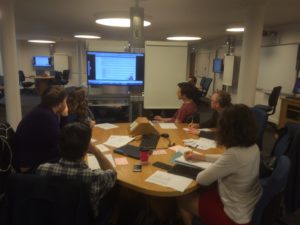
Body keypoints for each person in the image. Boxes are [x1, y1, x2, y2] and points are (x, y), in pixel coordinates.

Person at [177, 104, 262, 225]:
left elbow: (202, 179)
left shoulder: (234, 154)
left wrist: (208, 165)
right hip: (246, 203)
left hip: (233, 217)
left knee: (182, 197)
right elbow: (227, 159)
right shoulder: (253, 147)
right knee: (209, 188)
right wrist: (202, 157)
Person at [36, 122, 117, 221]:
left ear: (60, 146)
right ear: (86, 149)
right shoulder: (94, 177)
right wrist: (96, 151)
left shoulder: (42, 170)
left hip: (52, 218)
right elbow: (112, 173)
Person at [13, 85, 68, 173]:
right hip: (28, 168)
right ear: (60, 103)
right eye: (65, 101)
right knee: (70, 159)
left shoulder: (41, 110)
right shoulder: (47, 118)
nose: (66, 105)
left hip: (24, 161)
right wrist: (65, 117)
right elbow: (62, 144)